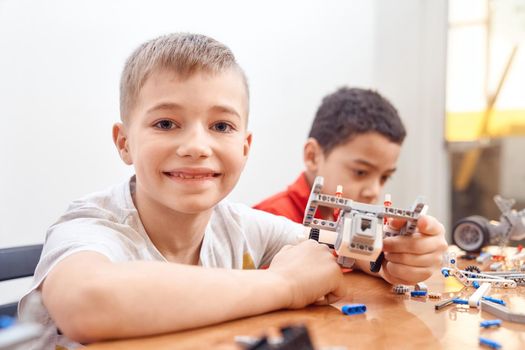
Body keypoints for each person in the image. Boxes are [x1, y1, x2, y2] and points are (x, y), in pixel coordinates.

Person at [19, 33, 447, 349]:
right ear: (124, 142)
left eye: (221, 126)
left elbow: (330, 247)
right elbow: (89, 303)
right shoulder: (90, 226)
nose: (196, 146)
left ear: (245, 146)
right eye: (166, 123)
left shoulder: (242, 225)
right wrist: (283, 284)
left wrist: (391, 258)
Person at [254, 87, 406, 223]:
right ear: (312, 156)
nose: (374, 192)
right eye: (360, 172)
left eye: (384, 177)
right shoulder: (268, 221)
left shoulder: (379, 226)